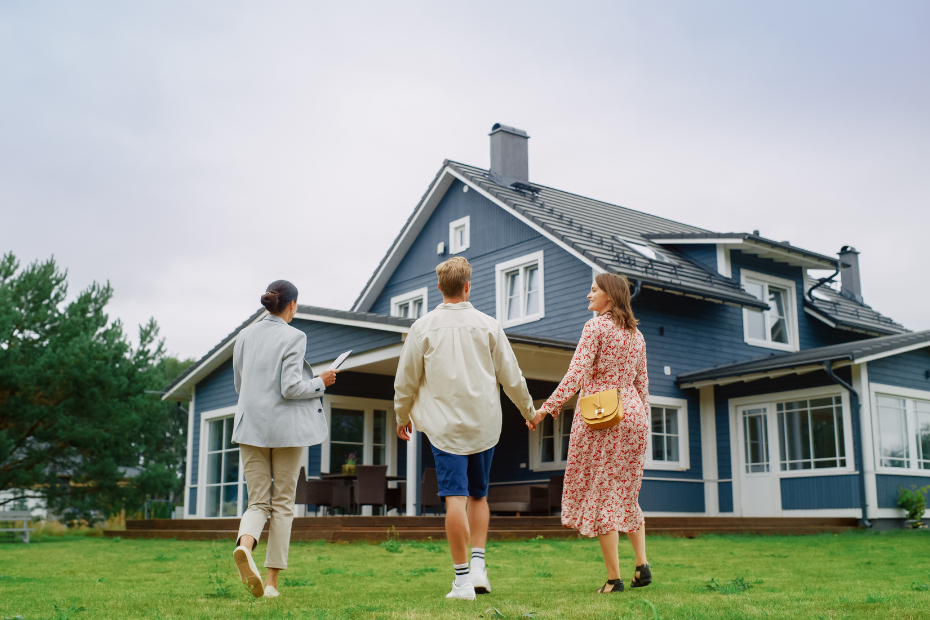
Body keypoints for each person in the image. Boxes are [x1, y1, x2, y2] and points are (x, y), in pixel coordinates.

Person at [394, 257, 536, 601]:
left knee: (455, 498)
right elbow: (511, 376)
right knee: (478, 495)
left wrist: (402, 416)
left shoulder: (422, 327)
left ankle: (462, 583)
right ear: (468, 286)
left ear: (440, 288)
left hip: (445, 429)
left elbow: (406, 380)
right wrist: (528, 411)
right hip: (484, 425)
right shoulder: (489, 325)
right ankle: (478, 566)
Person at [527, 273, 651, 594]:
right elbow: (642, 386)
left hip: (602, 415)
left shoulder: (595, 327)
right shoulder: (637, 336)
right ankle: (642, 565)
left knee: (602, 494)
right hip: (634, 415)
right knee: (626, 493)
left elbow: (576, 374)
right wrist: (644, 423)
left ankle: (614, 579)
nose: (588, 295)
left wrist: (546, 408)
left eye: (593, 290)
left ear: (609, 295)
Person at [231, 280, 338, 598]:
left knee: (258, 502)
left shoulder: (244, 335)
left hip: (250, 427)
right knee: (282, 504)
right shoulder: (295, 336)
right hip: (286, 432)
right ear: (291, 305)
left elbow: (241, 385)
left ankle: (246, 547)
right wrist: (321, 381)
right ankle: (272, 584)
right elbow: (291, 387)